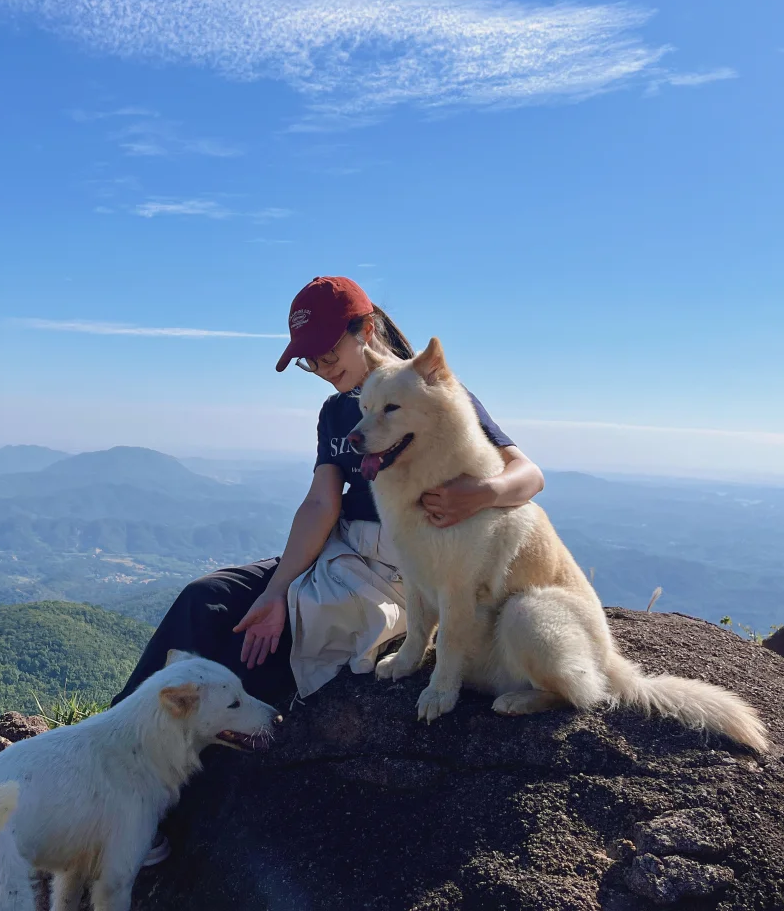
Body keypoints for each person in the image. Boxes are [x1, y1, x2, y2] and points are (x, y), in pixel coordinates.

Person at [113, 276, 547, 714]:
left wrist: (482, 493)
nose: (321, 369)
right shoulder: (337, 412)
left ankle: (177, 735)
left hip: (403, 567)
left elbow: (528, 475)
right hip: (339, 549)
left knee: (267, 646)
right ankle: (119, 723)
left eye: (327, 354)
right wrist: (277, 590)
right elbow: (322, 503)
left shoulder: (427, 390)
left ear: (367, 333)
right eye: (310, 362)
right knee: (204, 599)